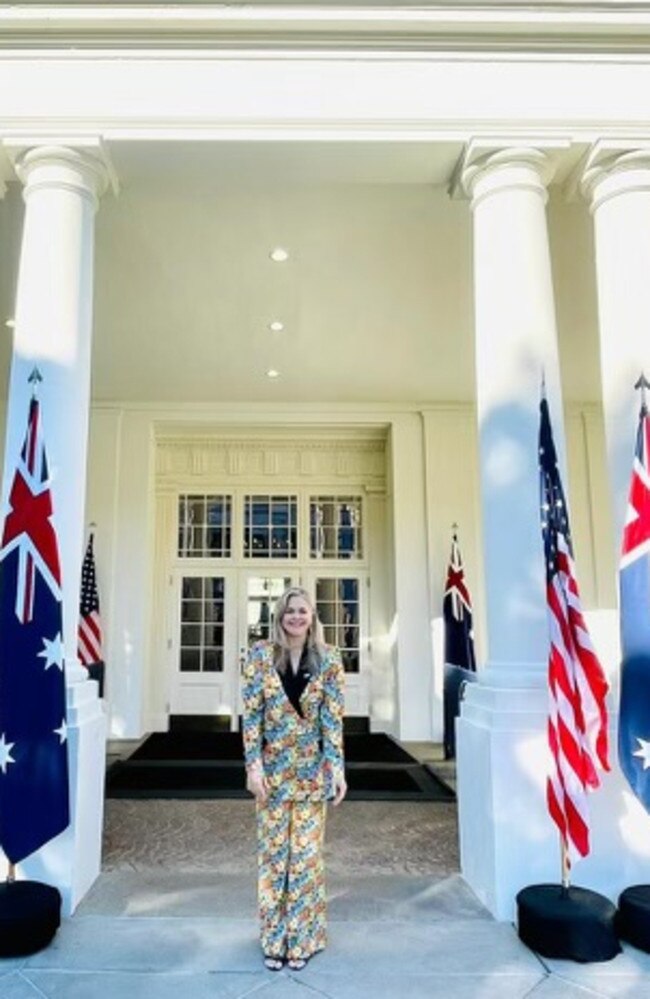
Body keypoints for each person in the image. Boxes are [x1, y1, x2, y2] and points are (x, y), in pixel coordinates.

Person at [242, 586, 347, 972]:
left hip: (311, 772)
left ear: (312, 617)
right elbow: (251, 718)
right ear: (279, 617)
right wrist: (253, 767)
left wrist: (337, 769)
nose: (296, 617)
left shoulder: (330, 659)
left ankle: (302, 939)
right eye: (289, 611)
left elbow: (332, 721)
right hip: (270, 774)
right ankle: (274, 940)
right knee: (273, 859)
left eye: (302, 611)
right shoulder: (259, 656)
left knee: (304, 858)